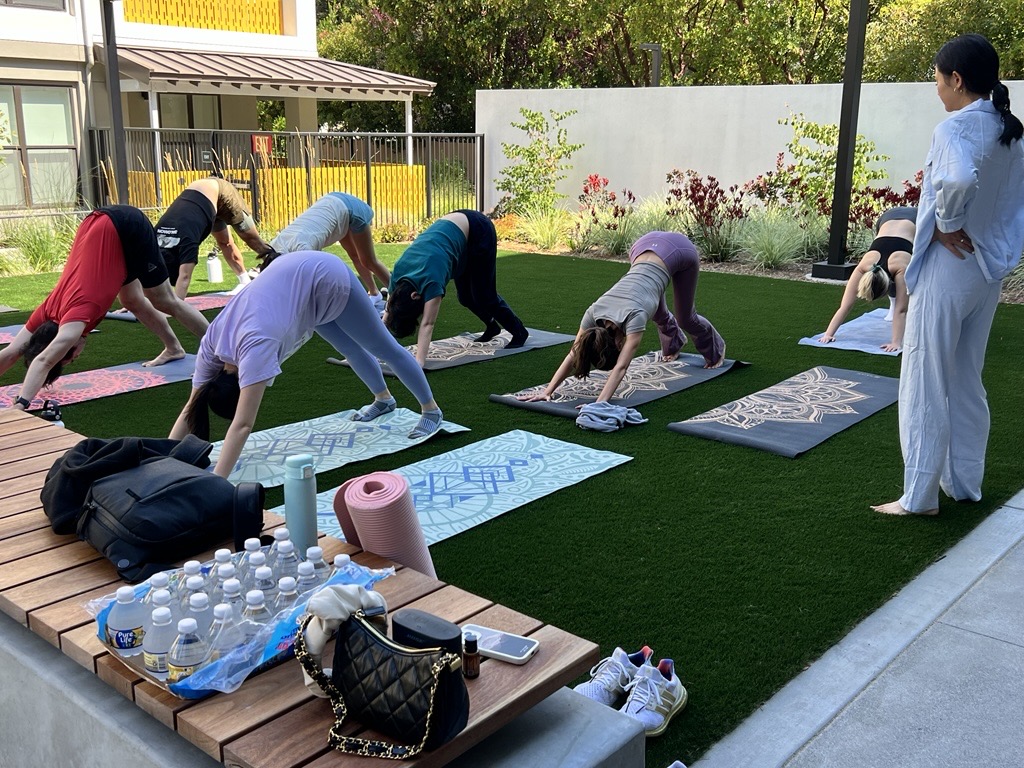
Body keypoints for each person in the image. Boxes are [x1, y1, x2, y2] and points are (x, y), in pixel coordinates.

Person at [873, 34, 1024, 517]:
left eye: (938, 80)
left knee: (923, 376)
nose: (936, 89)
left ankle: (918, 498)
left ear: (956, 79)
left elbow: (956, 180)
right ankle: (965, 484)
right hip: (987, 274)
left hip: (949, 269)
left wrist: (947, 223)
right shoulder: (1011, 131)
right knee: (965, 379)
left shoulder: (954, 129)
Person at [169, 250, 444, 478]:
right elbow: (190, 407)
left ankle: (431, 410)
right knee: (347, 346)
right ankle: (383, 399)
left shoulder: (255, 350)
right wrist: (163, 457)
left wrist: (217, 481)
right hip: (299, 283)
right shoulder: (211, 346)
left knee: (383, 347)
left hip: (326, 277)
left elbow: (242, 425)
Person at [0, 206, 209, 408]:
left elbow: (45, 360)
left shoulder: (78, 318)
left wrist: (21, 404)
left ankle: (221, 349)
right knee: (131, 300)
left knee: (163, 299)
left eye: (70, 358)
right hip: (99, 227)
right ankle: (174, 349)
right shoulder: (45, 313)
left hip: (126, 225)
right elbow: (11, 353)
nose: (77, 357)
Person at [521, 231, 725, 404]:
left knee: (685, 318)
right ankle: (674, 344)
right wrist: (547, 391)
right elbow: (574, 353)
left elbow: (621, 367)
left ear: (617, 344)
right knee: (656, 310)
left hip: (679, 250)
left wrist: (600, 403)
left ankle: (715, 351)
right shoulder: (592, 313)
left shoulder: (633, 318)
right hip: (642, 245)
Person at [383, 210, 528, 367]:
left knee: (485, 296)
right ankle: (492, 326)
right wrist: (372, 346)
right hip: (454, 236)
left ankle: (519, 331)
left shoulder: (432, 281)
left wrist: (419, 362)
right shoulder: (397, 278)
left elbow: (428, 324)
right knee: (465, 297)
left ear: (415, 296)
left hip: (478, 229)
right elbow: (387, 314)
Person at [155, 177, 276, 298]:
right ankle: (245, 282)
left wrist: (174, 307)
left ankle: (281, 269)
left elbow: (185, 277)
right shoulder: (152, 239)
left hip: (222, 192)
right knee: (224, 242)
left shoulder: (187, 241)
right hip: (203, 197)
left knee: (253, 240)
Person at [270, 192, 389, 313]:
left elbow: (313, 285)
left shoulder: (304, 251)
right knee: (355, 256)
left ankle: (398, 295)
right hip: (333, 205)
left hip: (351, 210)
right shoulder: (273, 248)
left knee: (369, 260)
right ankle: (374, 293)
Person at [819, 207, 916, 352]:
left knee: (916, 277)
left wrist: (896, 342)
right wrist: (828, 334)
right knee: (899, 289)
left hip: (916, 218)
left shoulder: (900, 267)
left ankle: (894, 302)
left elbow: (901, 310)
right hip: (887, 217)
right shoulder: (863, 267)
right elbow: (845, 305)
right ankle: (892, 302)